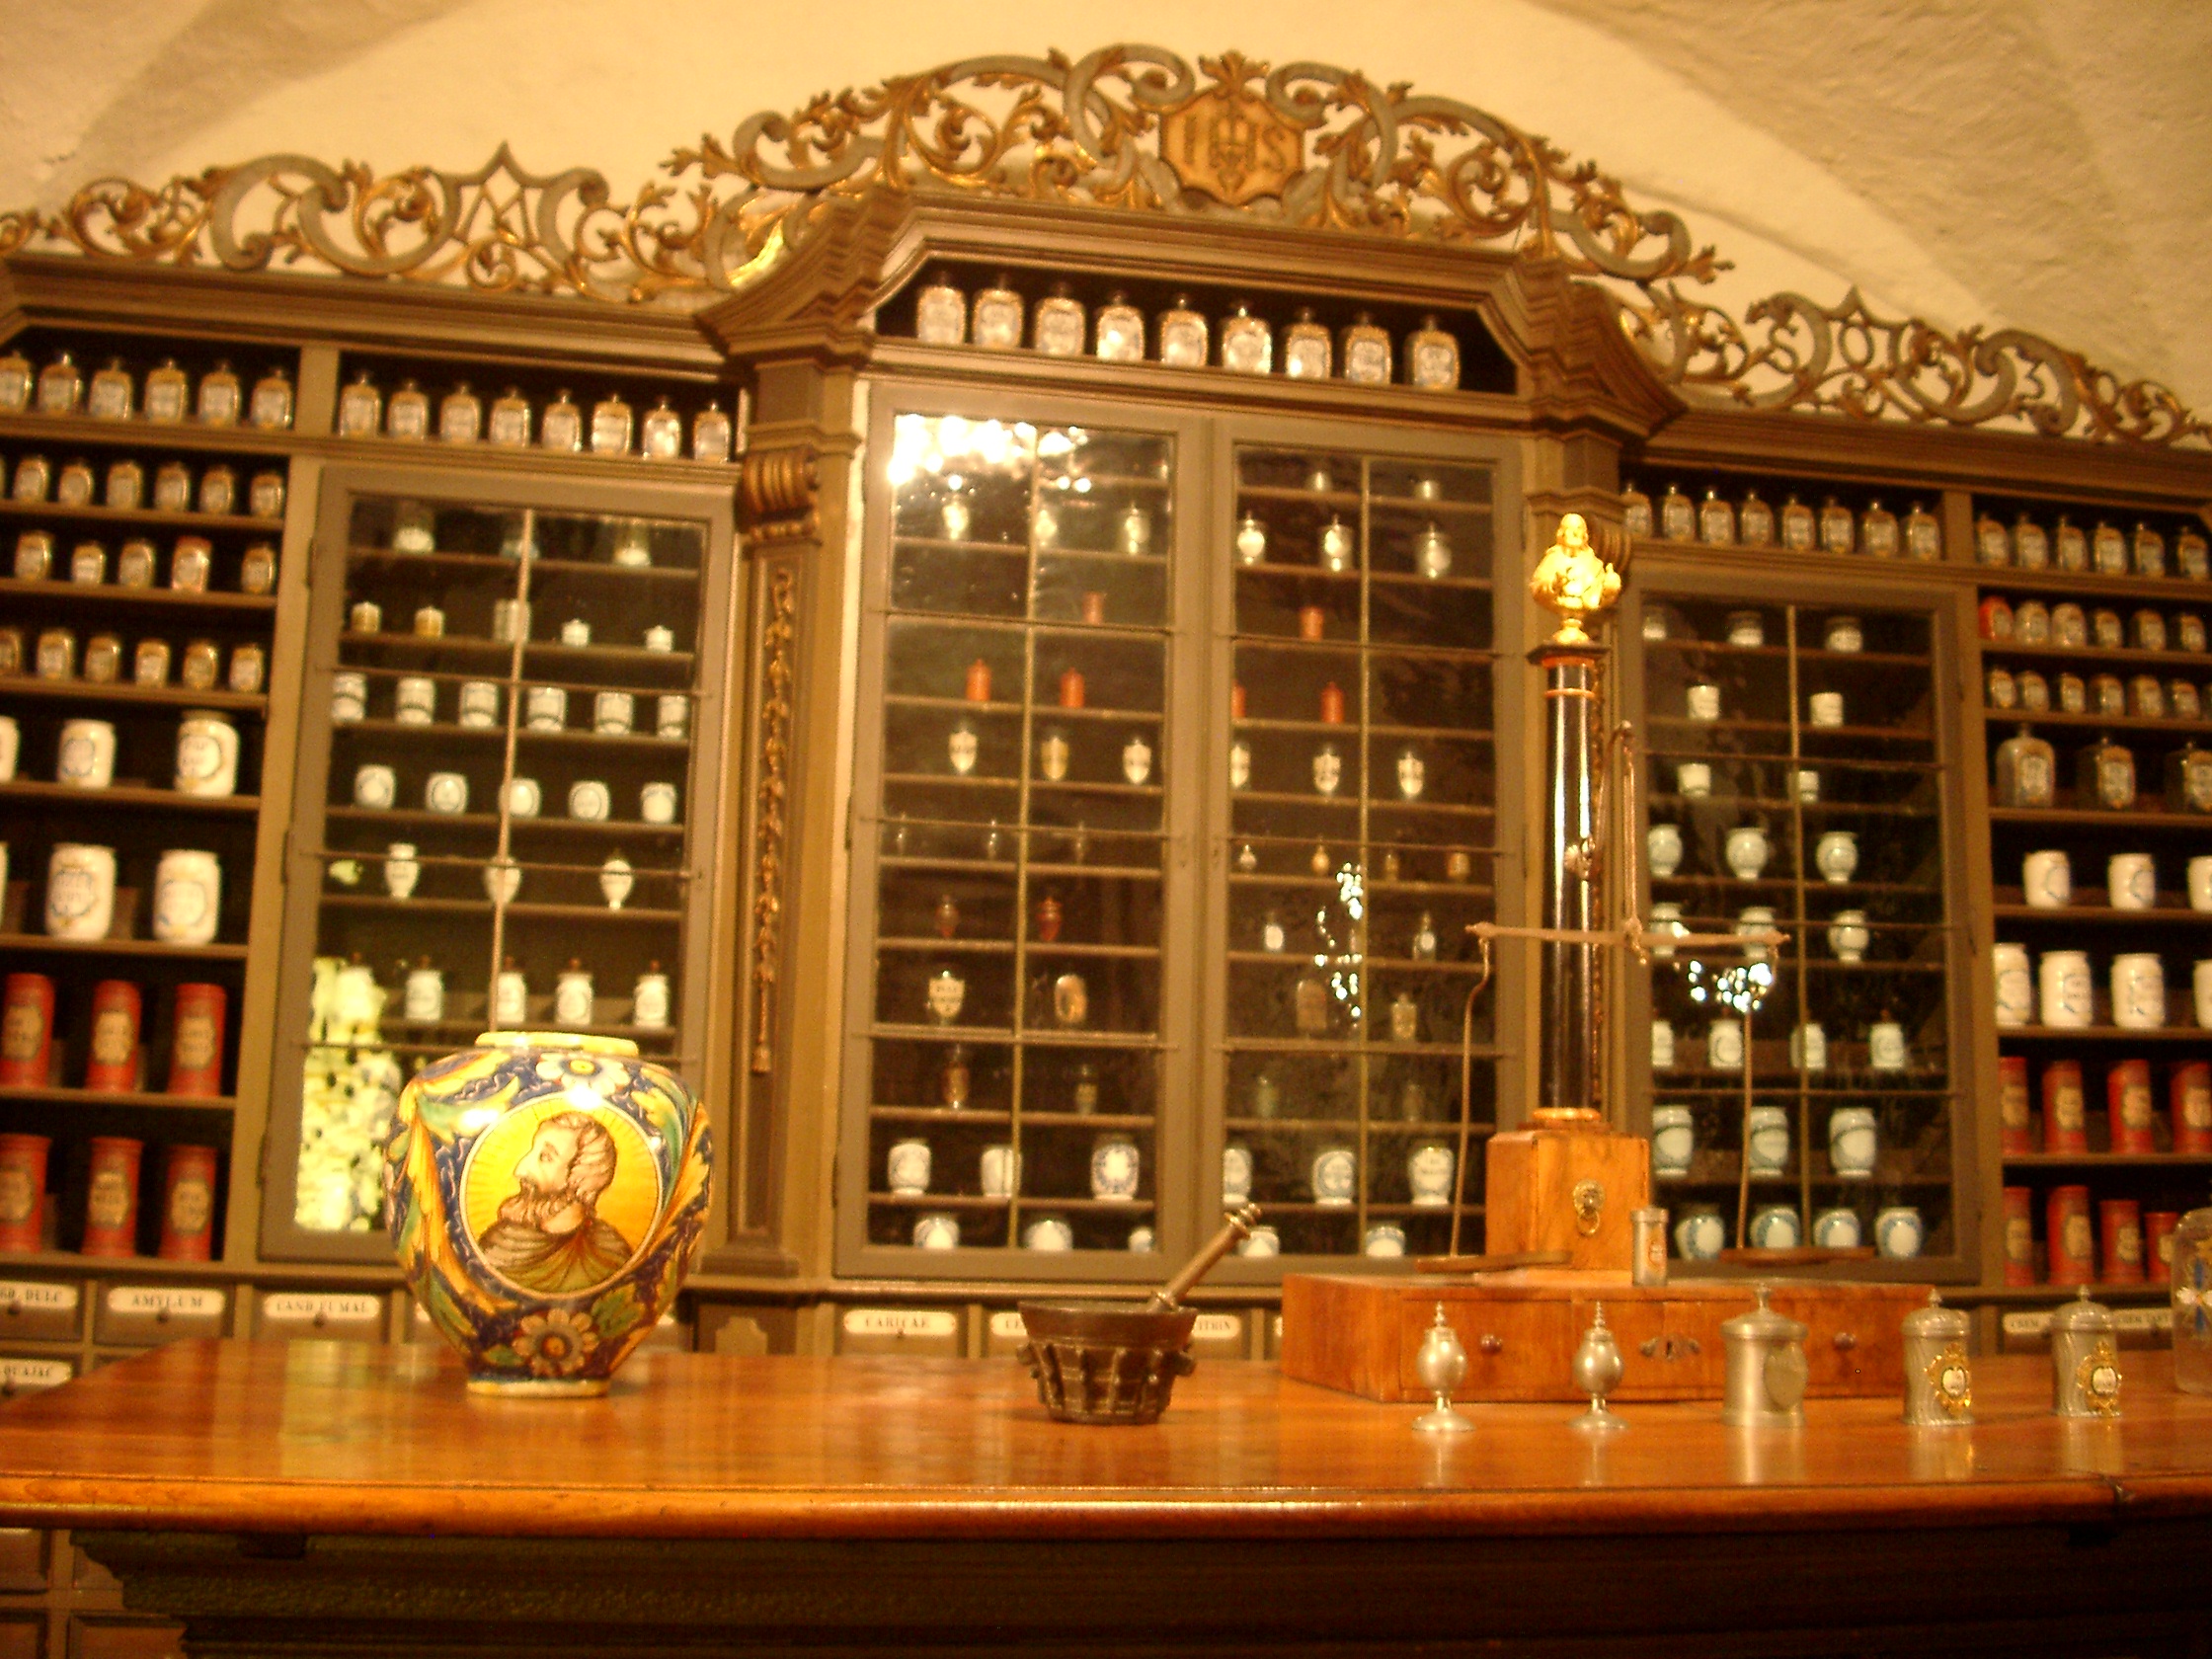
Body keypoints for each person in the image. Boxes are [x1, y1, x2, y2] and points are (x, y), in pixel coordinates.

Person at [476, 1111, 633, 1295]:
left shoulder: (611, 1255)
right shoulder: (498, 1245)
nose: (520, 1170)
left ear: (580, 1180)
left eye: (545, 1157)